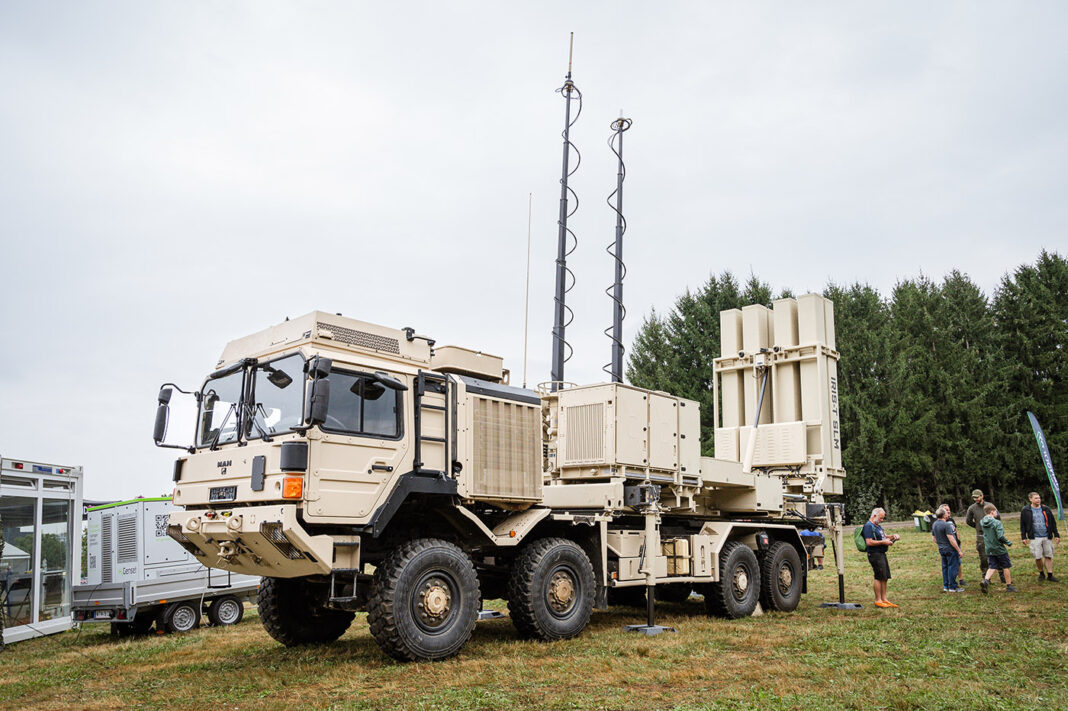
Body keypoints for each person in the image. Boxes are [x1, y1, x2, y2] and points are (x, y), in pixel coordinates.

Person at [863, 507, 900, 608]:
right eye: (881, 518)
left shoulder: (877, 526)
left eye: (883, 518)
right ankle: (878, 600)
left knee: (885, 576)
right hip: (875, 554)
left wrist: (893, 536)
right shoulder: (868, 526)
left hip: (882, 553)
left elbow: (884, 536)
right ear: (874, 516)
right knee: (878, 576)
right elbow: (869, 542)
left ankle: (884, 599)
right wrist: (884, 542)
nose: (882, 520)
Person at [1020, 492, 1060, 582]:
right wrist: (1024, 537)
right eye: (1036, 498)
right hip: (1034, 537)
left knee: (1048, 555)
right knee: (1038, 557)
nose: (1038, 500)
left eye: (1039, 498)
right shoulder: (1026, 510)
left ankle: (1050, 574)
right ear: (1030, 499)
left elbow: (1052, 523)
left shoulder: (1046, 509)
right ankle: (1041, 573)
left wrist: (1056, 535)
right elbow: (1022, 524)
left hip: (1047, 536)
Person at [965, 489, 1004, 583]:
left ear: (982, 496)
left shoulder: (990, 506)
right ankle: (986, 578)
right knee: (983, 558)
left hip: (993, 535)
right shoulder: (972, 508)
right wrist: (978, 526)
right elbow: (968, 521)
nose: (976, 499)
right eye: (974, 497)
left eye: (977, 497)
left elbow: (998, 517)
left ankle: (1003, 576)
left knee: (998, 555)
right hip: (981, 536)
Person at [980, 503, 1017, 593]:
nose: (997, 513)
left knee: (992, 566)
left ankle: (985, 581)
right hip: (999, 548)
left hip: (989, 548)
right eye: (996, 511)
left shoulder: (982, 522)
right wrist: (1008, 542)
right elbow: (1000, 536)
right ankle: (1009, 586)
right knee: (1005, 566)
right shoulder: (997, 523)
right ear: (992, 512)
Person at [931, 505, 964, 592]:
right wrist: (959, 550)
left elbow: (933, 538)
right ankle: (953, 587)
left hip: (941, 549)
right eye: (946, 513)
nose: (948, 514)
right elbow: (951, 539)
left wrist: (941, 544)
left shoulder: (934, 524)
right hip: (950, 549)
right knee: (952, 567)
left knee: (945, 567)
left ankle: (946, 586)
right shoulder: (946, 525)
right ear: (944, 515)